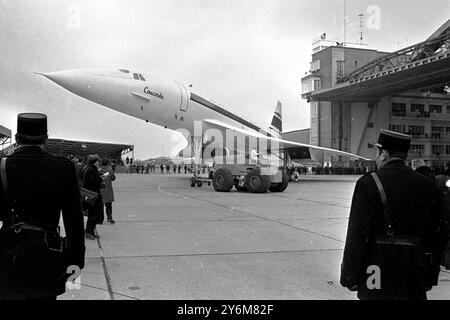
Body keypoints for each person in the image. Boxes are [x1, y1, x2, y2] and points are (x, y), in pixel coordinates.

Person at [341, 129, 445, 300]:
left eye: (377, 152)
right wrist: (430, 275)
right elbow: (436, 235)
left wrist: (349, 276)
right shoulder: (428, 185)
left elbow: (357, 234)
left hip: (376, 268)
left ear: (383, 154)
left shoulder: (369, 182)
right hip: (414, 268)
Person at [0, 113, 85, 300]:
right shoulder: (63, 167)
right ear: (46, 138)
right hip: (47, 253)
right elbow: (74, 220)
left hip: (9, 253)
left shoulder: (2, 166)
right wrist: (76, 262)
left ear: (16, 138)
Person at [81, 154, 104, 239]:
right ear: (94, 161)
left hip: (88, 193)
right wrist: (100, 179)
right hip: (92, 194)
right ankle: (89, 232)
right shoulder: (91, 169)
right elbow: (92, 182)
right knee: (95, 213)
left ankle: (89, 231)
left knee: (92, 213)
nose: (99, 163)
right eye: (98, 161)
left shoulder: (86, 167)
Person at [98, 159, 116, 224]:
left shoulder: (98, 170)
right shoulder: (109, 170)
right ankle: (109, 218)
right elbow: (113, 178)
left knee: (100, 206)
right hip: (108, 190)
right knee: (108, 205)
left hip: (100, 190)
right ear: (107, 163)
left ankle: (100, 220)